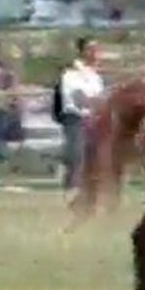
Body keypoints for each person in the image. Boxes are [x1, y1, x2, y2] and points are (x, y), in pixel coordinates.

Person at [59, 37, 105, 197]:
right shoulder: (71, 74)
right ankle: (72, 190)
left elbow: (100, 99)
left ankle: (91, 192)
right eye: (90, 49)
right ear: (82, 51)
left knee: (96, 156)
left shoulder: (95, 76)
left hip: (95, 120)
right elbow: (79, 98)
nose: (94, 53)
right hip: (76, 119)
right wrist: (96, 102)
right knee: (77, 155)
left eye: (96, 49)